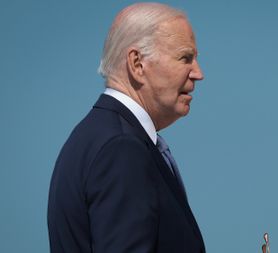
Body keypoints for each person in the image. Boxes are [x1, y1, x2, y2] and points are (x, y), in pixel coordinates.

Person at [47, 3, 205, 252]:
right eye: (185, 58)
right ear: (137, 63)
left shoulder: (96, 136)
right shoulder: (121, 148)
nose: (198, 73)